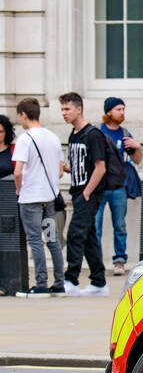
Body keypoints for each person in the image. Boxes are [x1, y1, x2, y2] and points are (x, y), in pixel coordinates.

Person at [10, 98, 66, 297]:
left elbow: (18, 171)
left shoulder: (25, 139)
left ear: (23, 115)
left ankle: (41, 283)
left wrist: (18, 189)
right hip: (49, 198)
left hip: (30, 197)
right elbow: (60, 169)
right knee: (52, 240)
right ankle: (59, 284)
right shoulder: (53, 137)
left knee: (34, 240)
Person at [59, 92, 108, 296]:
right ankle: (98, 282)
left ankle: (71, 279)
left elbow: (101, 167)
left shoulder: (93, 134)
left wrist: (87, 192)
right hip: (78, 191)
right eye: (62, 109)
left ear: (79, 109)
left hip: (88, 194)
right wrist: (68, 169)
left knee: (75, 234)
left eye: (67, 109)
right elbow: (83, 164)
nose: (64, 113)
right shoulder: (74, 134)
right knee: (87, 237)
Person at [95, 97, 139, 275]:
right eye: (118, 109)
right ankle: (96, 261)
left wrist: (138, 147)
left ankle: (119, 260)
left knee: (120, 225)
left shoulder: (125, 133)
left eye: (123, 109)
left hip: (119, 186)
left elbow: (137, 160)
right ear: (108, 112)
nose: (122, 112)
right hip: (99, 186)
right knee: (95, 226)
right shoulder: (97, 131)